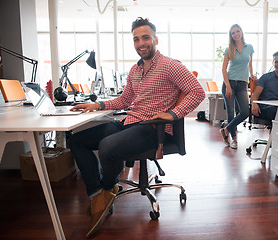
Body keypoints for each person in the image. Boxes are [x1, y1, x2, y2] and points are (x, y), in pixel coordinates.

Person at [69, 17, 205, 237]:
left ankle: (107, 188)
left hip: (153, 128)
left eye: (145, 37)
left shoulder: (171, 66)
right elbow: (124, 100)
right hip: (130, 121)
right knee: (75, 139)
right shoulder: (135, 69)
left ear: (155, 39)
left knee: (107, 147)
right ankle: (98, 193)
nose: (141, 43)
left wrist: (173, 113)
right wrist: (97, 104)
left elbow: (197, 92)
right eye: (136, 39)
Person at [220, 24, 257, 149]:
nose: (236, 34)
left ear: (241, 32)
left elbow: (250, 64)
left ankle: (226, 129)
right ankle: (234, 139)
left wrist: (252, 75)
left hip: (242, 84)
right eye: (233, 33)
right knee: (230, 113)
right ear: (231, 36)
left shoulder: (249, 47)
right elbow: (224, 69)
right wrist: (228, 86)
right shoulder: (229, 49)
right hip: (229, 83)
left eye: (237, 31)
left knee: (245, 112)